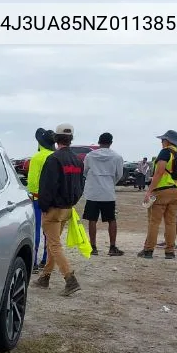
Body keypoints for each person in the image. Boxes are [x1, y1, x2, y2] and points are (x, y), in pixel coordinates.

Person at [32, 123, 83, 296]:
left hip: (53, 209)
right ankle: (44, 277)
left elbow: (47, 186)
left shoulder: (53, 159)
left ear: (56, 139)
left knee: (54, 245)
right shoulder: (77, 160)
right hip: (67, 208)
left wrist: (44, 206)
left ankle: (70, 279)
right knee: (54, 245)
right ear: (71, 139)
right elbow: (80, 185)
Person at [140, 130, 177, 259]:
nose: (161, 142)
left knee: (154, 222)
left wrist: (149, 191)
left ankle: (148, 250)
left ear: (168, 140)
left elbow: (159, 173)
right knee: (171, 222)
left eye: (163, 140)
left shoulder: (166, 152)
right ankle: (170, 252)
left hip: (162, 190)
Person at [81, 132, 124, 256]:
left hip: (93, 192)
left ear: (99, 142)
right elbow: (119, 174)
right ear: (111, 143)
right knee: (111, 219)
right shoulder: (117, 157)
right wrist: (110, 182)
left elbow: (84, 171)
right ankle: (112, 247)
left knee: (92, 219)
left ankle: (93, 247)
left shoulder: (90, 155)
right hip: (108, 192)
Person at [26, 128, 55, 272]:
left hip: (38, 199)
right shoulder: (56, 156)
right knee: (50, 232)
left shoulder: (37, 158)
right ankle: (46, 260)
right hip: (54, 201)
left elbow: (31, 183)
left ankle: (34, 262)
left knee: (36, 229)